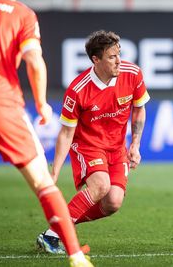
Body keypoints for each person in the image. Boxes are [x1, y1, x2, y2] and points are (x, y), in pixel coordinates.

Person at [0, 0, 92, 266]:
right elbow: (34, 61)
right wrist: (41, 104)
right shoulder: (22, 14)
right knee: (43, 184)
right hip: (2, 104)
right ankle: (75, 256)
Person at [36, 30, 150, 254]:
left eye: (119, 54)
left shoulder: (133, 73)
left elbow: (139, 109)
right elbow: (66, 133)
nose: (119, 61)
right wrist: (55, 172)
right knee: (101, 186)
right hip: (88, 146)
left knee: (112, 203)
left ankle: (53, 232)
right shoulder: (78, 90)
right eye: (111, 57)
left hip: (117, 148)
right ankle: (56, 235)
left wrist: (135, 144)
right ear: (95, 60)